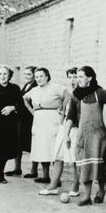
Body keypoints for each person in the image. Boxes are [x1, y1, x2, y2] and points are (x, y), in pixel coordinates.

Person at [63, 65, 106, 206]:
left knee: (100, 167)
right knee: (83, 166)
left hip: (101, 137)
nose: (78, 79)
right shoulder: (76, 95)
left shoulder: (101, 93)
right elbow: (70, 117)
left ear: (90, 78)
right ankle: (86, 196)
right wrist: (66, 135)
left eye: (81, 76)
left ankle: (101, 191)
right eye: (77, 76)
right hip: (83, 136)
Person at [39, 66, 80, 196]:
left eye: (75, 77)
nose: (73, 80)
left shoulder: (82, 94)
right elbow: (62, 112)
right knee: (57, 157)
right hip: (64, 129)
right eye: (70, 77)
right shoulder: (67, 94)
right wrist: (61, 113)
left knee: (75, 160)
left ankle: (76, 188)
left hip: (75, 130)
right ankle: (53, 186)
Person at [23, 67, 66, 186]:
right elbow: (24, 99)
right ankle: (45, 176)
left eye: (41, 76)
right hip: (38, 120)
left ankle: (56, 179)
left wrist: (62, 108)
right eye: (36, 77)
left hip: (53, 119)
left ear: (47, 76)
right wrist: (32, 111)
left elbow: (67, 95)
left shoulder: (56, 87)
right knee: (42, 148)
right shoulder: (34, 90)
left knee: (54, 148)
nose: (38, 79)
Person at [6, 65, 37, 177]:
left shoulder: (36, 86)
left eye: (29, 74)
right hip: (21, 119)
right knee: (18, 143)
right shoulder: (26, 85)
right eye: (25, 74)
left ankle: (34, 170)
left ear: (34, 75)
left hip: (30, 119)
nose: (26, 76)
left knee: (32, 144)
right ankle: (17, 168)